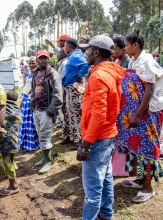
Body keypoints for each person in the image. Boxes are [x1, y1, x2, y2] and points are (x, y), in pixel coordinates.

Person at [78, 35, 125, 220]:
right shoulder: (111, 72)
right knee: (105, 180)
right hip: (107, 135)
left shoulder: (98, 75)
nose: (85, 53)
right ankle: (106, 215)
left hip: (97, 138)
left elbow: (99, 114)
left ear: (96, 52)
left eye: (87, 49)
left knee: (92, 191)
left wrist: (86, 143)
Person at [116, 30, 163, 203]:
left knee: (147, 148)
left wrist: (136, 115)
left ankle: (148, 187)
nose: (125, 48)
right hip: (137, 114)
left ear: (135, 45)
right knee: (136, 147)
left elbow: (149, 90)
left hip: (148, 113)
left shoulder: (147, 61)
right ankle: (139, 179)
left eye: (127, 45)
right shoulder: (135, 60)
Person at [31, 50, 63, 173]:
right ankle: (44, 158)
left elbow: (58, 94)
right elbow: (34, 90)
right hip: (37, 109)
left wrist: (51, 111)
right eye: (41, 58)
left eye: (45, 58)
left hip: (46, 110)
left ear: (48, 59)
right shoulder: (36, 73)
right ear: (37, 60)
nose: (43, 60)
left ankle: (49, 161)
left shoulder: (52, 74)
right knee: (40, 134)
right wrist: (33, 103)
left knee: (46, 135)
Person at [61, 38, 90, 146]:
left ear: (69, 46)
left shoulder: (75, 56)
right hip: (69, 89)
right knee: (69, 113)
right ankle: (71, 136)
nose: (64, 48)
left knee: (76, 114)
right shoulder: (72, 56)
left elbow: (85, 65)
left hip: (74, 89)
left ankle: (79, 139)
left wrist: (79, 75)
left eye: (65, 46)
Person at [111, 35, 131, 177]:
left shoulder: (128, 63)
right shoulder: (117, 60)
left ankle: (122, 166)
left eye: (115, 49)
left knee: (123, 134)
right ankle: (116, 162)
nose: (113, 51)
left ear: (123, 49)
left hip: (126, 103)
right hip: (117, 100)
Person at [18, 57, 40, 152]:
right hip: (25, 99)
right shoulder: (32, 73)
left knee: (30, 123)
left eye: (33, 63)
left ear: (38, 63)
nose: (31, 65)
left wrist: (29, 96)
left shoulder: (38, 74)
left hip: (30, 100)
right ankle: (26, 144)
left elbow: (37, 88)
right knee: (24, 123)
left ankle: (32, 145)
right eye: (30, 63)